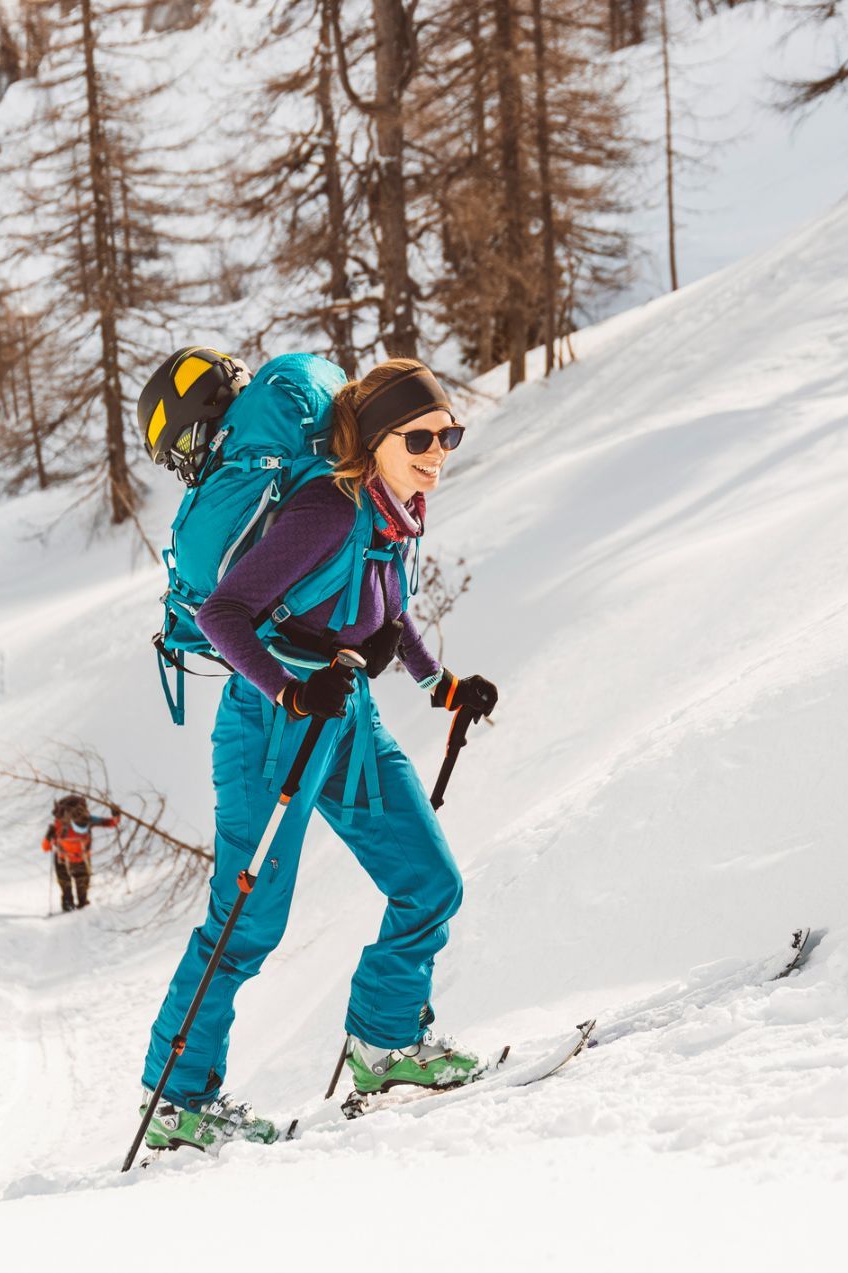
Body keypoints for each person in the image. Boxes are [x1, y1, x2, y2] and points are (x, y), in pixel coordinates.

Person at [137, 358, 500, 1152]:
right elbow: (225, 614)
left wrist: (442, 685)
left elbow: (386, 611)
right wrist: (288, 692)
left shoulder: (392, 509)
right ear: (376, 440)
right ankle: (177, 1104)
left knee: (428, 881)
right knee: (246, 921)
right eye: (422, 437)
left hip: (343, 718)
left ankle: (384, 1047)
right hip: (270, 727)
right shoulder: (328, 511)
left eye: (449, 435)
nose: (439, 452)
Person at [42, 795, 121, 913]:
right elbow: (111, 823)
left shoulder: (58, 824)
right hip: (82, 858)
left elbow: (46, 848)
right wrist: (116, 814)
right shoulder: (89, 820)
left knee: (65, 883)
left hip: (62, 858)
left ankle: (68, 904)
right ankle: (83, 905)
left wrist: (48, 837)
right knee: (82, 882)